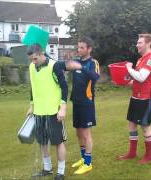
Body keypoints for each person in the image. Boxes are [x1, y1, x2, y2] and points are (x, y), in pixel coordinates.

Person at [26, 44, 68, 180]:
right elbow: (33, 87)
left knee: (58, 142)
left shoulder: (54, 66)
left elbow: (64, 86)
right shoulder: (32, 67)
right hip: (39, 112)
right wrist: (31, 106)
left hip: (53, 112)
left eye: (35, 59)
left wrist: (63, 107)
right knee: (42, 142)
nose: (33, 62)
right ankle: (47, 168)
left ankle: (61, 172)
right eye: (31, 59)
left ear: (42, 53)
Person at [117, 33, 151, 164]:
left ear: (148, 44)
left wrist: (128, 68)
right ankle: (132, 152)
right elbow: (137, 80)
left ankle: (148, 155)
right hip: (135, 97)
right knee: (132, 124)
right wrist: (124, 82)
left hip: (145, 99)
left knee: (145, 126)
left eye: (140, 43)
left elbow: (141, 77)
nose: (137, 45)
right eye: (137, 43)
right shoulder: (141, 59)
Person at [68, 37, 100, 175]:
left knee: (86, 134)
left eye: (82, 47)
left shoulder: (93, 63)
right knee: (78, 132)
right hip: (76, 102)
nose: (79, 50)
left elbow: (95, 77)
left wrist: (81, 67)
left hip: (87, 103)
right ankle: (83, 159)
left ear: (89, 49)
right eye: (78, 47)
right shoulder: (76, 62)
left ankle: (88, 163)